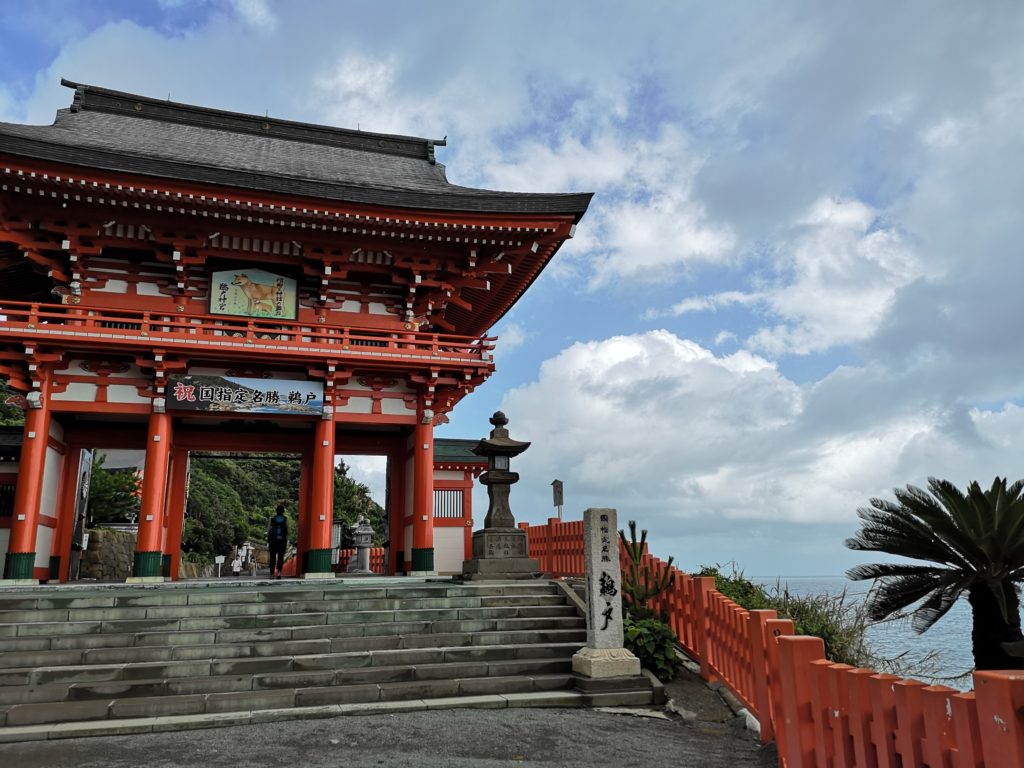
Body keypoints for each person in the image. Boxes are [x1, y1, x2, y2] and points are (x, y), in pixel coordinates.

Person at [266, 504, 289, 579]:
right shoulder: (285, 519)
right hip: (282, 541)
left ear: (276, 511)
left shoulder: (272, 519)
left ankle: (272, 573)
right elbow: (287, 530)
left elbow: (268, 529)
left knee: (272, 557)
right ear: (283, 511)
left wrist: (267, 539)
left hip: (273, 541)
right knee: (280, 557)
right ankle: (279, 573)